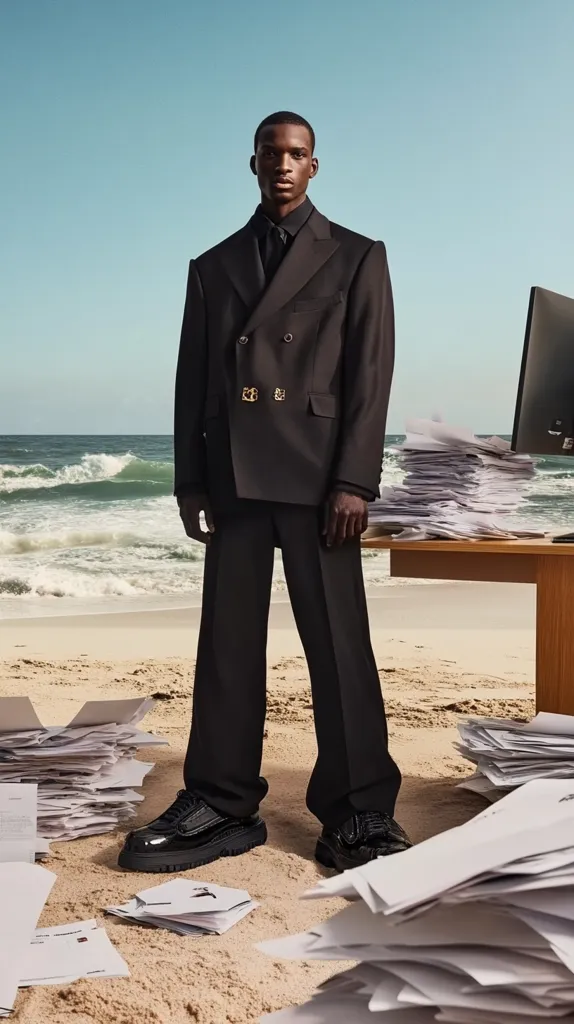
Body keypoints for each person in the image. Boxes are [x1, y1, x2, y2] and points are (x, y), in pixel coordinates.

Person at [118, 111, 411, 875]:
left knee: (340, 647)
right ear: (252, 164)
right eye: (270, 154)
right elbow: (193, 385)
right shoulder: (213, 267)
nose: (283, 165)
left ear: (315, 166)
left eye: (297, 154)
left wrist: (354, 479)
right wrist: (189, 478)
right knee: (227, 646)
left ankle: (358, 811)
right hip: (237, 476)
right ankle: (220, 801)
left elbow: (369, 380)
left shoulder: (355, 256)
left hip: (320, 483)